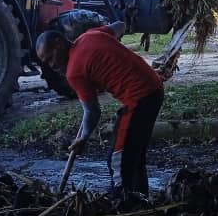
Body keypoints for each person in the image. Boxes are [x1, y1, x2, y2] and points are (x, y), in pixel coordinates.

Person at [35, 22, 163, 199]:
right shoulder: (90, 35)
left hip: (140, 98)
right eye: (46, 62)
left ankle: (122, 204)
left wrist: (83, 138)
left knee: (117, 158)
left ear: (59, 43)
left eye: (50, 58)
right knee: (134, 154)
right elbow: (120, 25)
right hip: (154, 88)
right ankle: (141, 200)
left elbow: (93, 112)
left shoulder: (74, 71)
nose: (52, 65)